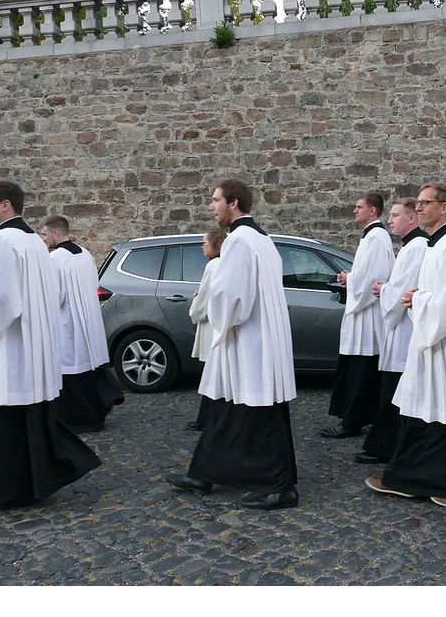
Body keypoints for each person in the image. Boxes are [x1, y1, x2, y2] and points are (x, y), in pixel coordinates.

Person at [0, 181, 100, 509]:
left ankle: (12, 491)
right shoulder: (34, 242)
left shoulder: (0, 241)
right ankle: (35, 482)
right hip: (33, 343)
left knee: (9, 420)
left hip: (9, 345)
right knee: (29, 416)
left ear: (6, 205)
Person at [165, 179, 299, 510]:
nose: (211, 207)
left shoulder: (238, 242)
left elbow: (231, 296)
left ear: (233, 203)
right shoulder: (261, 239)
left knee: (262, 414)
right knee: (226, 410)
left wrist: (215, 316)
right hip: (256, 337)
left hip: (247, 340)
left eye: (215, 201)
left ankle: (282, 487)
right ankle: (204, 474)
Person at [365, 182, 446, 508]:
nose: (419, 208)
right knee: (424, 417)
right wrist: (417, 297)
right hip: (434, 347)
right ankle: (408, 479)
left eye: (425, 203)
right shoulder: (436, 246)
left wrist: (416, 299)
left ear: (445, 207)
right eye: (418, 204)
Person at [355, 198, 429, 464]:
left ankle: (387, 447)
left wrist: (385, 289)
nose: (390, 219)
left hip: (406, 326)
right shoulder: (411, 245)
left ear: (412, 219)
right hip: (402, 323)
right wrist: (388, 286)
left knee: (397, 390)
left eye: (396, 215)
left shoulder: (417, 246)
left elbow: (403, 289)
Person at [39, 215, 123, 433]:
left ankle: (75, 420)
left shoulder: (55, 258)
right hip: (88, 319)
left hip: (67, 322)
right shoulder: (85, 254)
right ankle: (95, 414)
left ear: (56, 233)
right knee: (88, 369)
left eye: (45, 234)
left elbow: (55, 296)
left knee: (72, 372)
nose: (44, 239)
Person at [320, 192, 394, 438]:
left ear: (373, 211)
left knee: (363, 372)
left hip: (367, 316)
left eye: (359, 206)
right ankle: (353, 417)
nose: (354, 210)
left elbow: (372, 279)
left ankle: (352, 422)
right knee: (360, 370)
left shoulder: (376, 237)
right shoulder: (372, 237)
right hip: (363, 315)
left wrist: (349, 278)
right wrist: (351, 278)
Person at [187, 228, 227, 430]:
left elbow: (203, 299)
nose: (202, 245)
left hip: (212, 325)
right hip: (220, 324)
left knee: (212, 374)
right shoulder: (226, 264)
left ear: (215, 244)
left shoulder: (213, 265)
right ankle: (206, 418)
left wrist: (194, 311)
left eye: (205, 242)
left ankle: (206, 419)